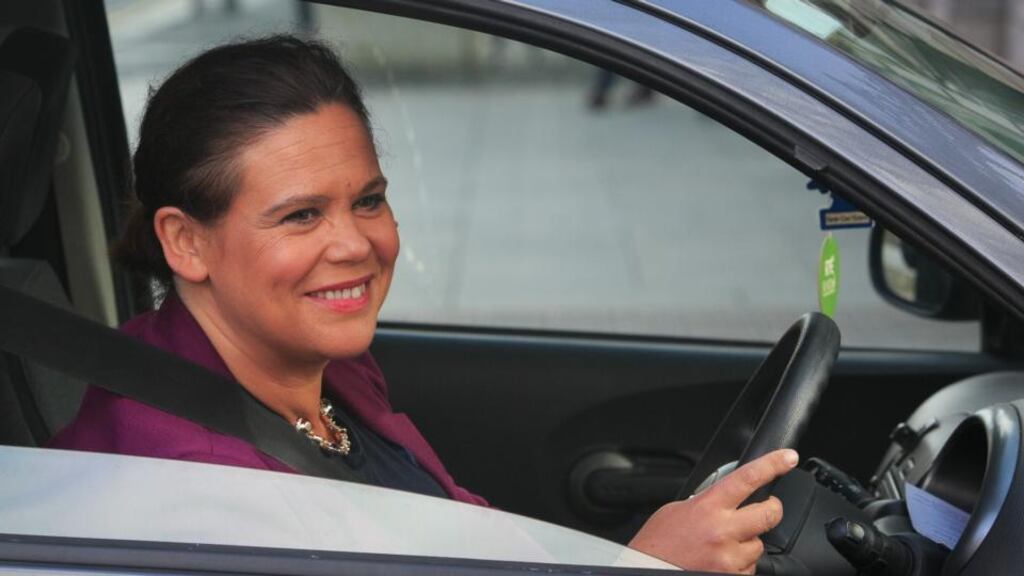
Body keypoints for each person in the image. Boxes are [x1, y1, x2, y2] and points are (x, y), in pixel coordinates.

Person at [49, 35, 796, 574]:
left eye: (368, 200)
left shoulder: (309, 367)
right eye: (301, 215)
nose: (356, 244)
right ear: (186, 243)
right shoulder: (199, 496)